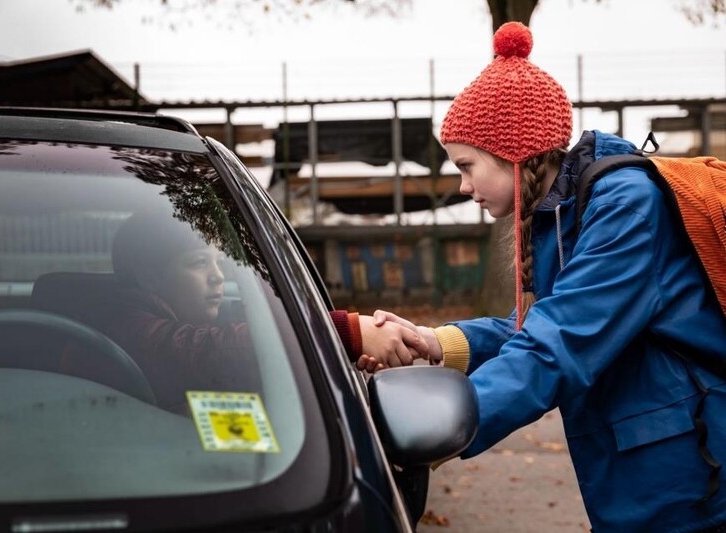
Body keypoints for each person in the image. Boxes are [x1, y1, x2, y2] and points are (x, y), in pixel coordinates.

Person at [357, 21, 726, 533]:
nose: (463, 186)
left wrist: (436, 426)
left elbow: (560, 345)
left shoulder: (625, 208)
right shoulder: (560, 211)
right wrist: (436, 342)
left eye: (466, 165)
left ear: (512, 154)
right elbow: (537, 325)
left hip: (688, 475)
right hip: (642, 468)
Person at [61, 212, 426, 414]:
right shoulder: (119, 324)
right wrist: (347, 333)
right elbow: (199, 352)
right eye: (197, 263)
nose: (217, 277)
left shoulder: (184, 321)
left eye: (219, 262)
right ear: (149, 276)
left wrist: (332, 362)